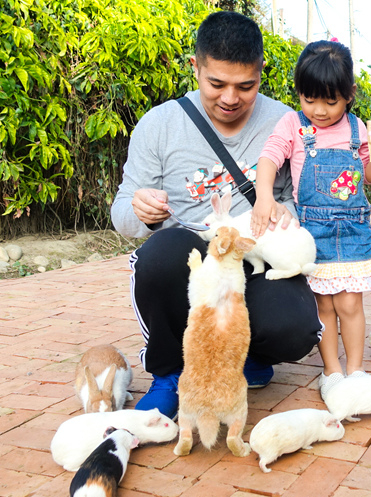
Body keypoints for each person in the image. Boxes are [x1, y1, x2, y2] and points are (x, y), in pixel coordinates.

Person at [110, 11, 322, 419]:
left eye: (246, 86)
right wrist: (143, 210)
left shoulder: (286, 122)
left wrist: (286, 214)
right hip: (191, 256)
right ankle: (172, 373)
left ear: (262, 71)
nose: (230, 98)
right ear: (196, 67)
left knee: (296, 328)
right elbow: (122, 215)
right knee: (161, 254)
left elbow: (304, 196)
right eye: (216, 84)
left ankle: (248, 353)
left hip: (254, 254)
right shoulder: (159, 125)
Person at [250, 40, 371, 400]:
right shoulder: (292, 124)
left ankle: (356, 370)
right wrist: (264, 197)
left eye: (330, 101)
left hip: (351, 230)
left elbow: (368, 176)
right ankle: (331, 371)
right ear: (299, 94)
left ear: (349, 94)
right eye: (309, 99)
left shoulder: (357, 128)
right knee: (324, 306)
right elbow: (269, 159)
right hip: (312, 231)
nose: (318, 110)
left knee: (350, 304)